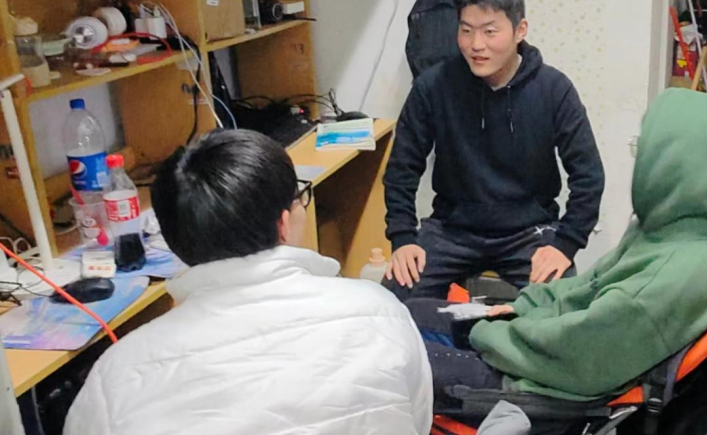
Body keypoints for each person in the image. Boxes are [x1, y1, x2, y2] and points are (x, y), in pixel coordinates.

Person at [407, 88, 707, 404]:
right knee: (411, 311)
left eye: (645, 151)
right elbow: (586, 287)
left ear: (677, 166)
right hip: (540, 348)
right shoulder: (671, 231)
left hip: (535, 387)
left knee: (389, 348)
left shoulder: (672, 276)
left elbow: (580, 354)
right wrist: (522, 307)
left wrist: (491, 330)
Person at [64, 130, 433, 435]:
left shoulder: (116, 375)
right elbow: (419, 420)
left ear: (176, 241)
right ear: (283, 224)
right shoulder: (382, 312)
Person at [384, 0, 605, 300]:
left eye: (490, 31)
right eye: (466, 30)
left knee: (558, 307)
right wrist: (402, 238)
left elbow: (588, 175)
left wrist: (565, 244)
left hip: (528, 232)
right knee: (392, 300)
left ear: (520, 30)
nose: (476, 45)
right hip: (451, 230)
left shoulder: (553, 89)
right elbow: (402, 168)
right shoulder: (433, 87)